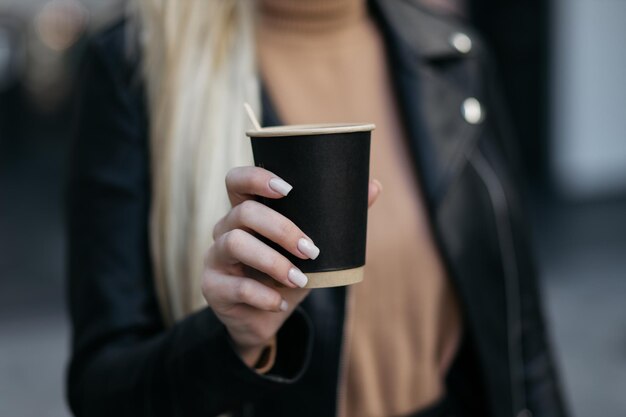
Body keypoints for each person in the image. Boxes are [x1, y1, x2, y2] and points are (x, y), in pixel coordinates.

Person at [66, 1, 566, 416]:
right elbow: (102, 388)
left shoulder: (454, 55)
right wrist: (233, 343)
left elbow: (521, 337)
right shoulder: (138, 64)